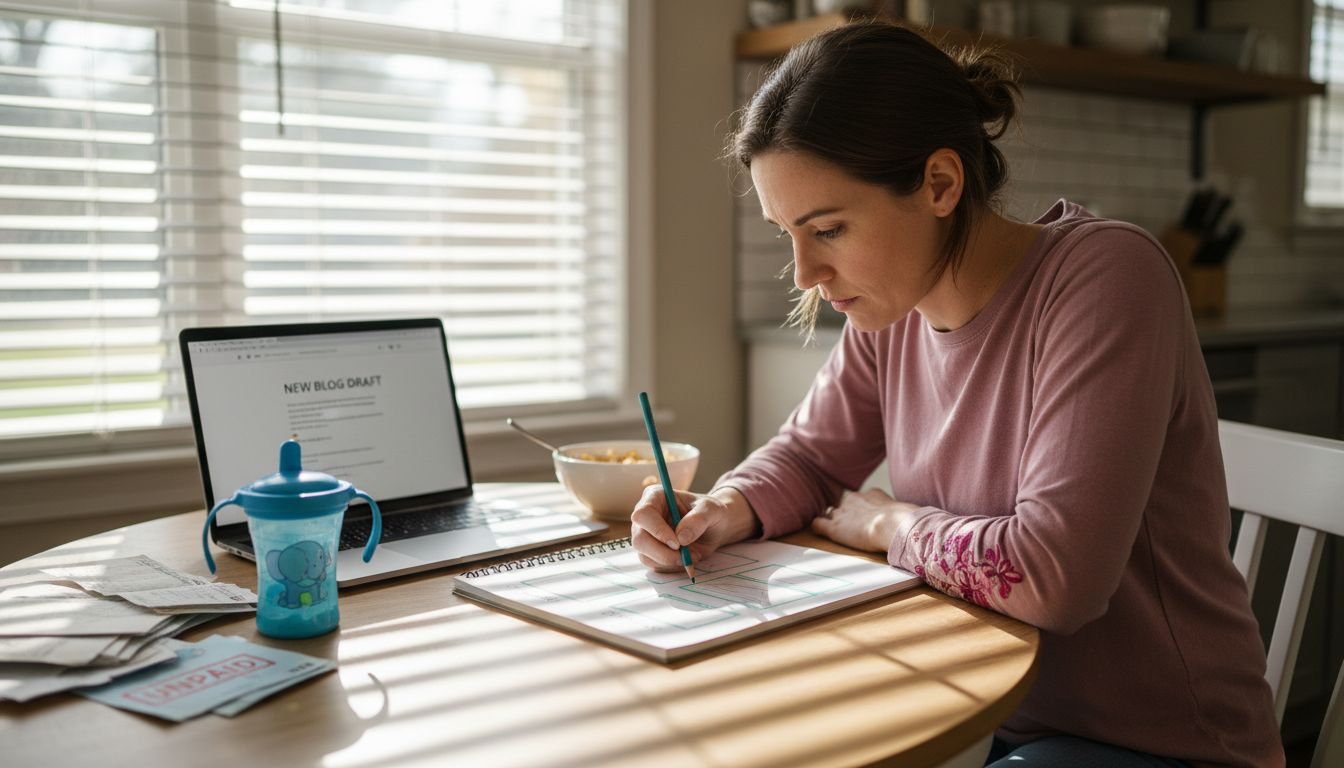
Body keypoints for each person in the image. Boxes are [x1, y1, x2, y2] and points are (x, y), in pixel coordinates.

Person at [629, 21, 1283, 768]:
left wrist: (892, 527)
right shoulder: (892, 308)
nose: (805, 271)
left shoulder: (1106, 280)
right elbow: (811, 458)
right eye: (788, 233)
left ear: (940, 183)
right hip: (1001, 711)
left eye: (830, 229)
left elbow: (1053, 578)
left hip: (1163, 743)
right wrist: (722, 508)